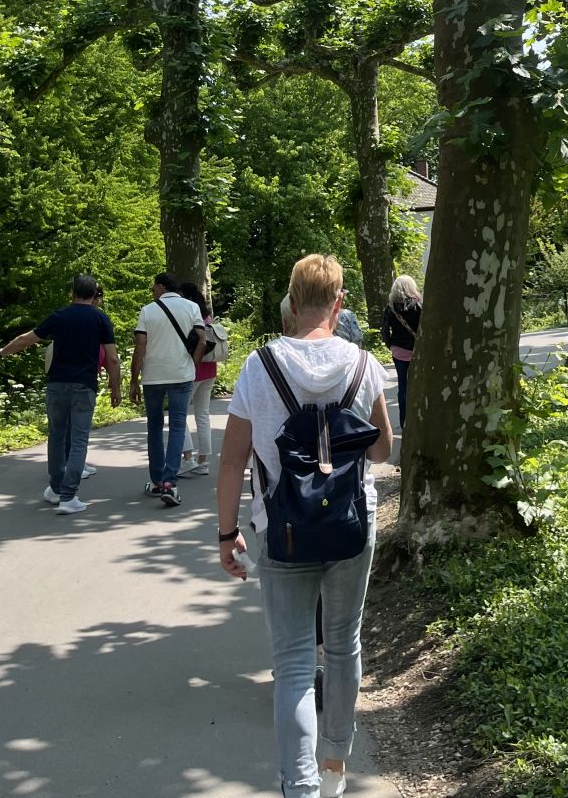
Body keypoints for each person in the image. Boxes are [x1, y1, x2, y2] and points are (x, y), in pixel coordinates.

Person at [218, 251, 393, 798]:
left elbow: (231, 460)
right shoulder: (365, 366)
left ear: (291, 305)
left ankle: (301, 787)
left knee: (293, 661)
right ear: (339, 304)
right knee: (342, 645)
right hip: (351, 526)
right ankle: (337, 767)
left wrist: (228, 534)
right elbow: (383, 451)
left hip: (281, 529)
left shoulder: (259, 366)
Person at [0, 273, 120, 514]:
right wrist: (115, 386)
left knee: (56, 437)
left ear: (72, 293)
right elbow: (114, 358)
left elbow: (26, 339)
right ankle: (68, 496)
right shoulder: (100, 319)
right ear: (93, 293)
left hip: (56, 384)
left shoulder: (59, 316)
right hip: (84, 385)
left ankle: (56, 490)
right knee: (78, 440)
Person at [130, 271, 206, 508]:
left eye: (154, 287)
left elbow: (140, 345)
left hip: (153, 377)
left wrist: (134, 378)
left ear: (161, 287)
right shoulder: (192, 308)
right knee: (176, 426)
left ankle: (156, 480)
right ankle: (169, 483)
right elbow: (202, 340)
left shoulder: (147, 311)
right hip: (181, 375)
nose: (152, 291)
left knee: (154, 427)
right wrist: (192, 364)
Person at [177, 282, 217, 478]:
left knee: (180, 413)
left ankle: (187, 459)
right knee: (203, 415)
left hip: (192, 369)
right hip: (210, 369)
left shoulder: (189, 315)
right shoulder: (206, 315)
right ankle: (203, 461)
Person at [381, 275, 422, 430]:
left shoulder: (391, 307)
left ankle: (404, 421)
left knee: (403, 386)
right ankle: (417, 418)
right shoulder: (418, 305)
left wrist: (390, 345)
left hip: (398, 351)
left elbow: (384, 329)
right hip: (417, 351)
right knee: (417, 385)